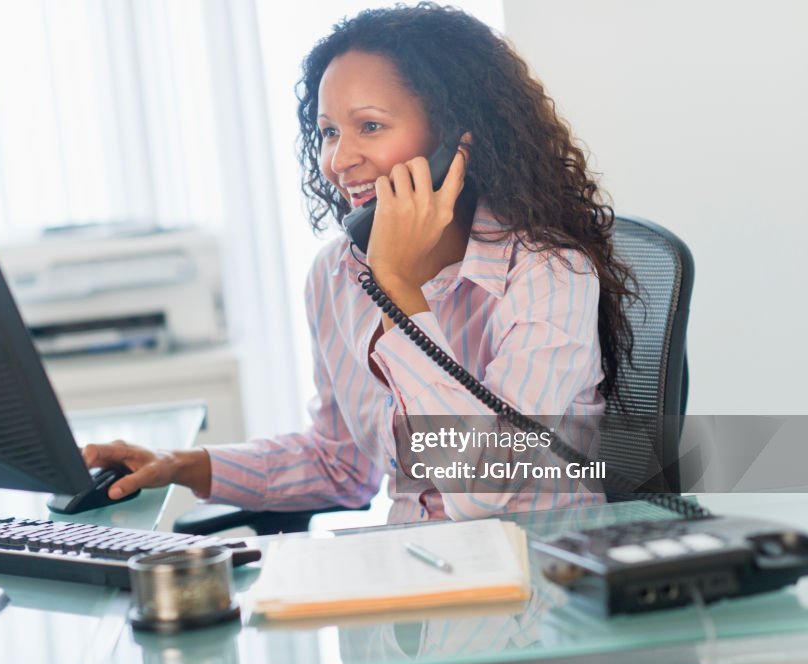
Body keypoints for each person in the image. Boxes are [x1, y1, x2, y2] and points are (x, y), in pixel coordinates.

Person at [84, 3, 634, 523]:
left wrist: (398, 288)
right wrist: (184, 465)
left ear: (458, 140)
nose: (339, 160)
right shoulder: (337, 275)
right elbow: (341, 465)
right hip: (413, 583)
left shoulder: (548, 272)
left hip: (541, 586)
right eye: (329, 132)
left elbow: (493, 487)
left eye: (370, 126)